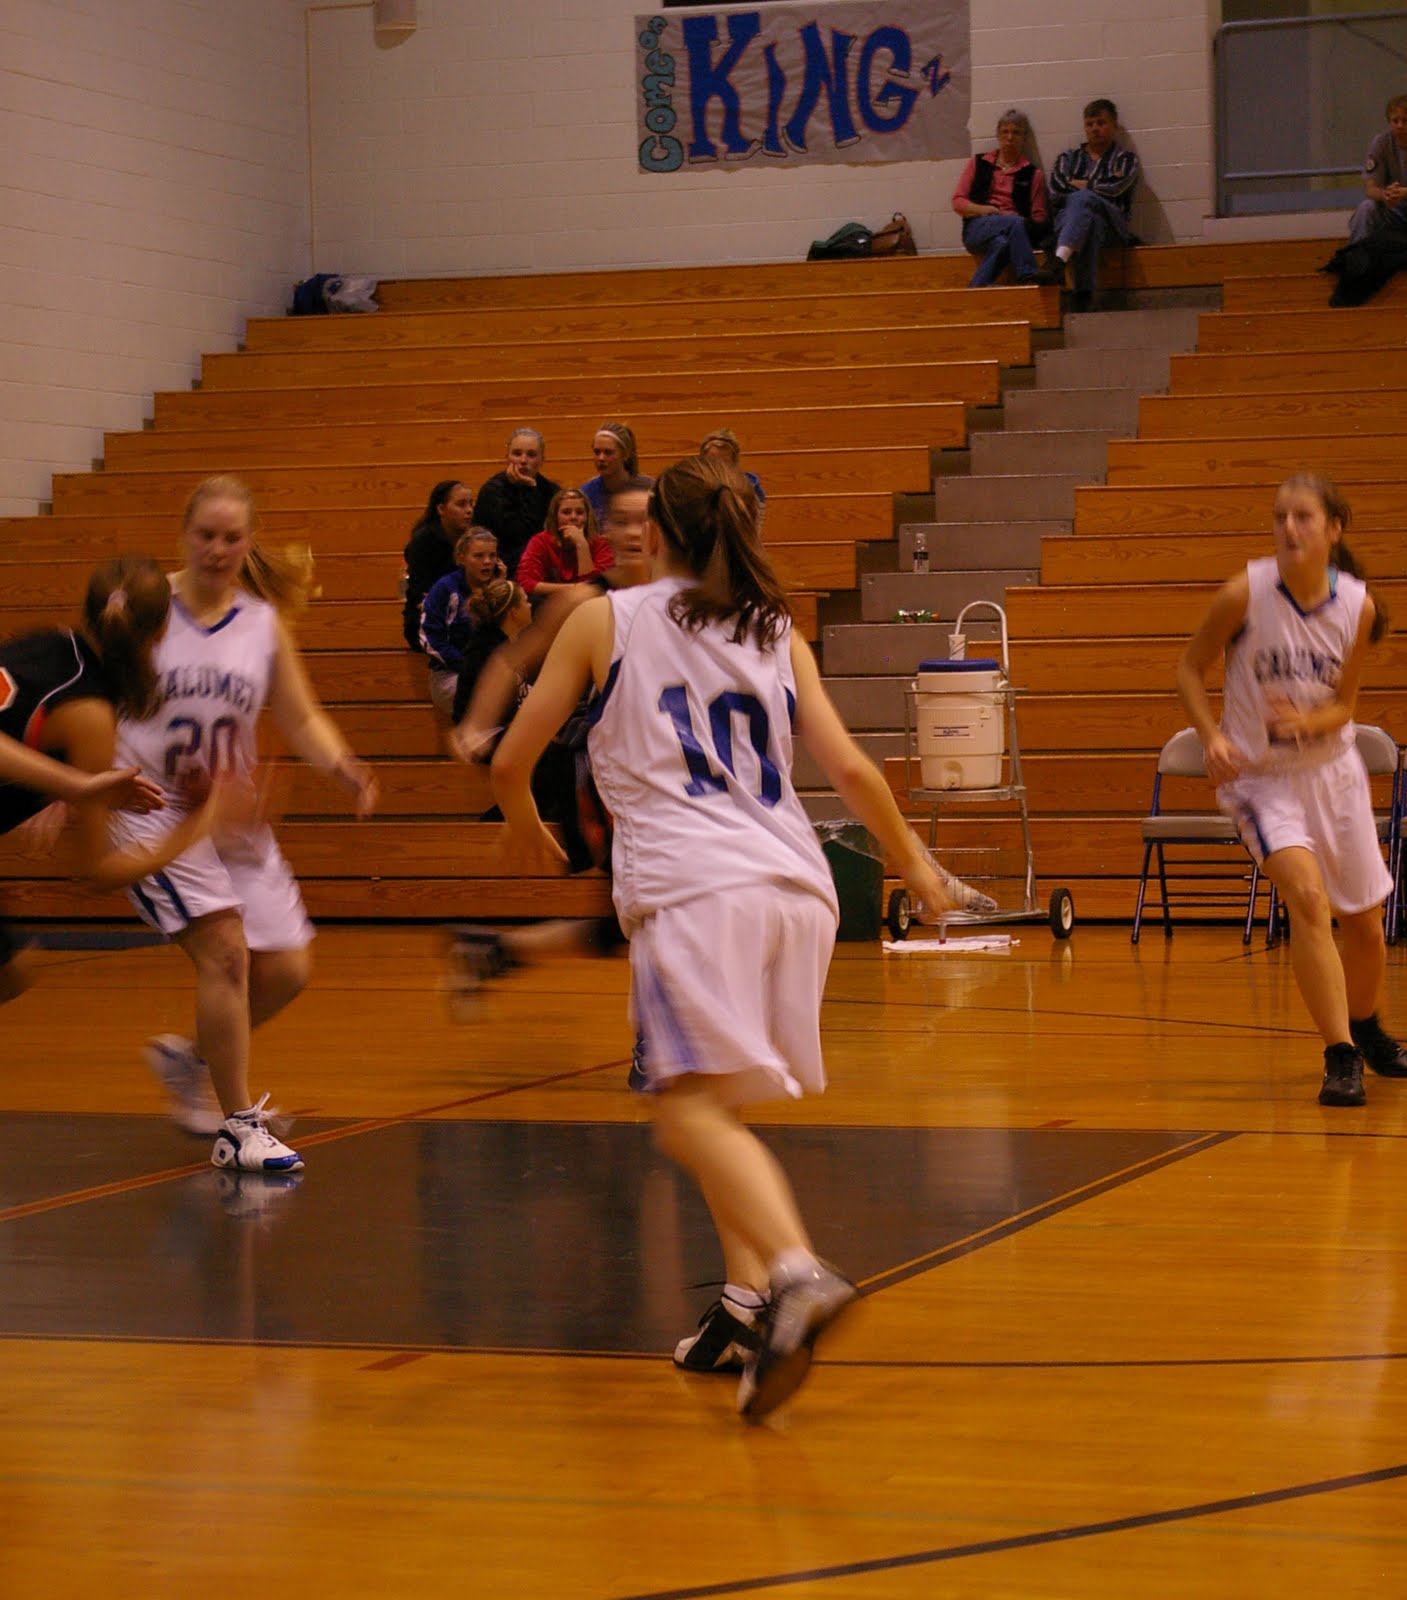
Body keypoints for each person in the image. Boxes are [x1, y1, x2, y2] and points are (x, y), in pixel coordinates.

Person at [489, 456, 961, 1422]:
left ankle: (796, 1274)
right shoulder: (773, 629)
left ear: (656, 534)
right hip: (799, 891)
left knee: (682, 1115)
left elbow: (510, 757)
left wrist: (529, 829)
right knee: (713, 1103)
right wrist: (914, 865)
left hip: (698, 890)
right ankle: (749, 1305)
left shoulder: (602, 620)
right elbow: (851, 769)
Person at [111, 476, 378, 1169]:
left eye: (232, 537)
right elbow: (90, 696)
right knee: (226, 952)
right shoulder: (145, 608)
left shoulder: (260, 623)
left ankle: (190, 1061)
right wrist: (73, 786)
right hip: (153, 808)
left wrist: (342, 764)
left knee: (287, 968)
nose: (218, 549)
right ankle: (236, 1129)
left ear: (249, 542)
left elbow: (299, 713)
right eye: (206, 535)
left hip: (230, 817)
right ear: (183, 534)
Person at [1177, 474, 1406, 1109]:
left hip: (1333, 773)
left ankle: (1366, 1026)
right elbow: (1190, 668)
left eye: (1303, 517)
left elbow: (1346, 706)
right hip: (1260, 780)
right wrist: (1211, 735)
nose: (1288, 528)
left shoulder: (1357, 606)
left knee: (1365, 926)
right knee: (1306, 898)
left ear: (1334, 529)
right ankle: (1340, 1054)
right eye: (1280, 517)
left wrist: (1307, 722)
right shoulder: (1244, 593)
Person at [0, 555, 240, 1004]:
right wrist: (195, 826)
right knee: (14, 972)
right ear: (159, 634)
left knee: (12, 970)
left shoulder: (49, 643)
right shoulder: (91, 715)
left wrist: (60, 790)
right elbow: (97, 872)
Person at [1046, 98, 1141, 310]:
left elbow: (1117, 188)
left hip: (1114, 226)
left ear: (1114, 126)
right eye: (1090, 124)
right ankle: (1083, 294)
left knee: (1082, 199)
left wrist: (1082, 186)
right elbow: (1055, 192)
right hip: (1077, 224)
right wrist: (1095, 188)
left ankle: (1058, 260)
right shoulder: (1068, 158)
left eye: (1101, 123)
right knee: (1091, 221)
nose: (1095, 129)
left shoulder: (1126, 159)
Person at [950, 110, 1056, 288]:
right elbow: (957, 201)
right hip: (978, 227)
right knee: (1013, 223)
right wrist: (985, 210)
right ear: (998, 135)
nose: (1010, 138)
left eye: (1016, 133)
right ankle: (1028, 273)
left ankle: (976, 287)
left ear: (1024, 137)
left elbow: (1039, 217)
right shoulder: (979, 163)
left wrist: (1019, 222)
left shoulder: (1033, 174)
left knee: (1003, 243)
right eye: (1005, 132)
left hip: (1014, 230)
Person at [420, 528, 507, 715]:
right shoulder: (445, 589)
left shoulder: (501, 588)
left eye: (492, 556)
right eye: (478, 556)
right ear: (461, 559)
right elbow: (429, 638)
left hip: (492, 673)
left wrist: (501, 591)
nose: (487, 562)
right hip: (451, 674)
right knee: (491, 701)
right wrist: (468, 668)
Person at [471, 428, 561, 577]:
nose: (523, 461)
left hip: (543, 568)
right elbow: (517, 535)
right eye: (517, 454)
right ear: (507, 457)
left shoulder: (552, 492)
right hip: (502, 569)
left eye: (531, 455)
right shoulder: (492, 491)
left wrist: (532, 489)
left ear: (542, 460)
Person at [402, 480, 474, 650]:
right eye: (461, 505)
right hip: (429, 618)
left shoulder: (475, 538)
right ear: (441, 509)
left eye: (471, 504)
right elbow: (423, 593)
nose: (469, 510)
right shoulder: (422, 543)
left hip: (466, 611)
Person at [515, 487, 615, 603]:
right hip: (549, 606)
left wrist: (581, 544)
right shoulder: (540, 542)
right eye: (566, 512)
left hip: (588, 607)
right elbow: (526, 583)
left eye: (580, 512)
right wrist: (575, 589)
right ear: (555, 517)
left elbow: (595, 590)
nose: (573, 517)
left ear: (588, 517)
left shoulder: (600, 544)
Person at [1348, 93, 1407, 245]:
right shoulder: (1381, 143)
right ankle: (1356, 258)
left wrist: (1404, 192)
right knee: (1367, 208)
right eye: (1395, 121)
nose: (1400, 126)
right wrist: (1385, 194)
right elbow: (1370, 189)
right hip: (1394, 212)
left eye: (1405, 120)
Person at [579, 422, 652, 530]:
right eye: (597, 452)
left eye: (608, 452)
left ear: (625, 454)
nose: (601, 458)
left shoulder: (648, 489)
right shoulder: (586, 493)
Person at [699, 428, 766, 508]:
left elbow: (755, 520)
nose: (718, 467)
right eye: (712, 461)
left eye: (725, 462)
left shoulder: (753, 491)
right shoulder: (691, 489)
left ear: (734, 463)